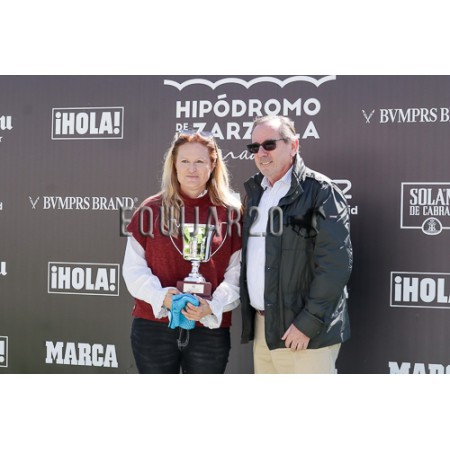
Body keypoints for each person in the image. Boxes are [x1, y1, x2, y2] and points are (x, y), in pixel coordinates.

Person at [122, 129, 242, 374]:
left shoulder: (231, 213)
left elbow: (237, 274)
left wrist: (212, 305)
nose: (192, 169)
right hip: (154, 327)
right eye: (185, 161)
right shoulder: (150, 209)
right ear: (174, 165)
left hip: (208, 329)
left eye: (200, 161)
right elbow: (133, 270)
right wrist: (162, 297)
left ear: (213, 165)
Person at [240, 115, 352, 374]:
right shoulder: (255, 194)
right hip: (264, 330)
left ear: (293, 146)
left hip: (305, 335)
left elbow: (335, 264)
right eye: (254, 147)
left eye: (269, 144)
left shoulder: (321, 191)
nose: (261, 153)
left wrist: (308, 323)